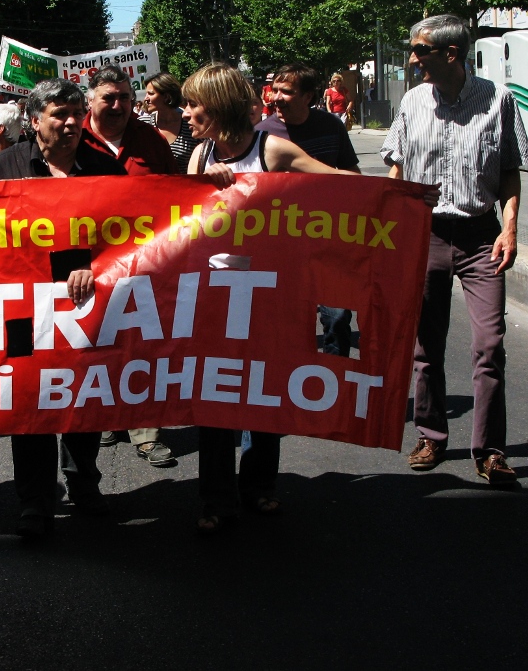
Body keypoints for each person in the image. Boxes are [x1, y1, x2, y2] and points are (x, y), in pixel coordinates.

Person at [183, 63, 359, 534]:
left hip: (270, 296)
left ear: (217, 107)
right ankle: (216, 498)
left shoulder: (273, 148)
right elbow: (182, 226)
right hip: (217, 299)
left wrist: (402, 196)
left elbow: (335, 181)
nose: (186, 113)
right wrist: (202, 186)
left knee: (265, 391)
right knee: (215, 398)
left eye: (193, 104)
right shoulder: (199, 156)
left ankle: (259, 486)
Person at [382, 14, 528, 484]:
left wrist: (510, 230)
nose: (412, 59)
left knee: (490, 346)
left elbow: (509, 169)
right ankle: (431, 435)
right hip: (425, 234)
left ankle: (488, 450)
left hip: (480, 235)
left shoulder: (497, 99)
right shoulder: (412, 100)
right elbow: (397, 169)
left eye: (421, 50)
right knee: (428, 344)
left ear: (451, 54)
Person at [0, 78, 126, 538]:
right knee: (29, 402)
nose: (69, 123)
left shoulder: (104, 165)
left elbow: (129, 229)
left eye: (75, 114)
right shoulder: (4, 165)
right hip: (25, 303)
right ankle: (36, 500)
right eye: (58, 115)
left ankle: (84, 482)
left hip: (85, 301)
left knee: (85, 394)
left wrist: (94, 266)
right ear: (33, 120)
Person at [79, 66, 179, 467]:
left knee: (142, 345)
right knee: (96, 342)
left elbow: (175, 194)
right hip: (89, 266)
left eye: (124, 97)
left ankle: (146, 431)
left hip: (142, 263)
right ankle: (105, 417)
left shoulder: (148, 139)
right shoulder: (74, 136)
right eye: (109, 98)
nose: (118, 105)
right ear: (91, 100)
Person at [257, 63, 361, 357]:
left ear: (308, 96)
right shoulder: (261, 135)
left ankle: (335, 384)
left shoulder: (331, 126)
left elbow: (353, 176)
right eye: (274, 90)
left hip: (329, 242)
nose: (276, 97)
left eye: (286, 92)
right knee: (288, 324)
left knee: (338, 316)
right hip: (282, 247)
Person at [144, 71, 197, 174]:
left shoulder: (190, 125)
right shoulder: (143, 125)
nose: (146, 99)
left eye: (151, 94)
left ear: (167, 97)